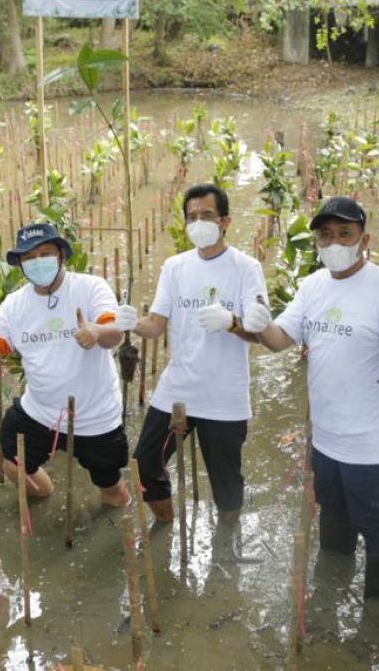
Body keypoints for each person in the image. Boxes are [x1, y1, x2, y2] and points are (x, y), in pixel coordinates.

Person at [251, 196, 379, 597]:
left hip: (371, 442)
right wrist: (260, 326)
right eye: (326, 235)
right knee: (332, 512)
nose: (334, 243)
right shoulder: (312, 286)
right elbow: (281, 340)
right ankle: (330, 590)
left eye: (344, 234)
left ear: (364, 239)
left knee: (375, 521)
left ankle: (377, 604)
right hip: (327, 436)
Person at [115, 183, 267, 526]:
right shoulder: (175, 267)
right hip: (178, 387)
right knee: (145, 466)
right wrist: (132, 322)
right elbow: (156, 325)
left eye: (207, 215)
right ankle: (166, 525)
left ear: (225, 220)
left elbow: (258, 332)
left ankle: (227, 539)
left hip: (225, 396)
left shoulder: (246, 268)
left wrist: (231, 322)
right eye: (191, 217)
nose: (198, 222)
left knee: (227, 485)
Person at [0, 223, 130, 507]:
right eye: (28, 257)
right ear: (20, 263)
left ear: (61, 255)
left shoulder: (90, 287)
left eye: (45, 253)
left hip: (96, 414)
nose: (37, 262)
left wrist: (95, 332)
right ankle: (46, 498)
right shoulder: (14, 305)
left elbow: (114, 335)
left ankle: (117, 529)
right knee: (13, 465)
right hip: (40, 411)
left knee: (112, 491)